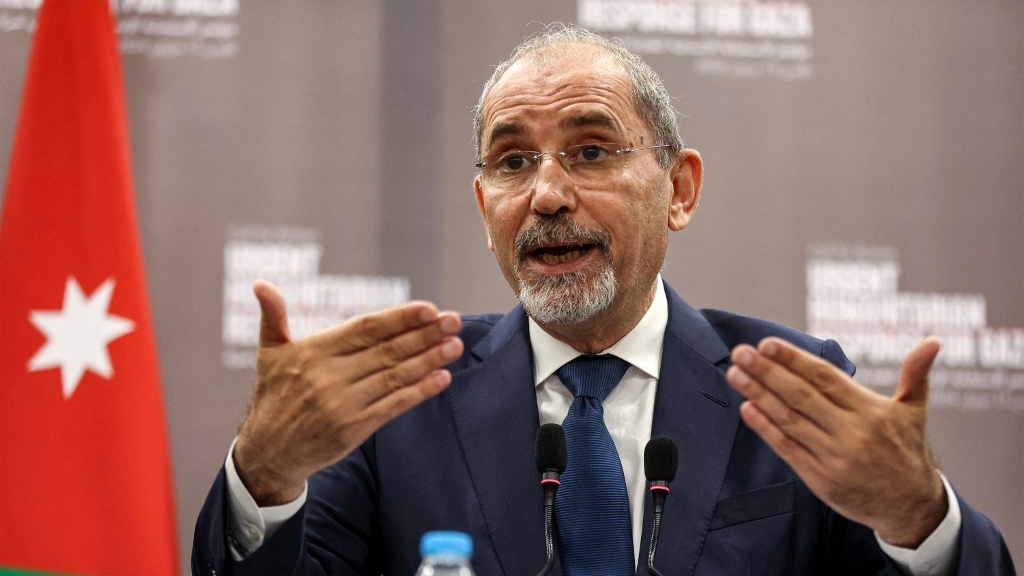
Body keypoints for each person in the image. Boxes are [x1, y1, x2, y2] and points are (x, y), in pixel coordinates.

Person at [192, 24, 1015, 576]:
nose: (547, 193)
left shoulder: (785, 390)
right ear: (485, 213)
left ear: (679, 190)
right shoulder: (401, 407)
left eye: (590, 150)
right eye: (512, 163)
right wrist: (263, 478)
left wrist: (918, 518)